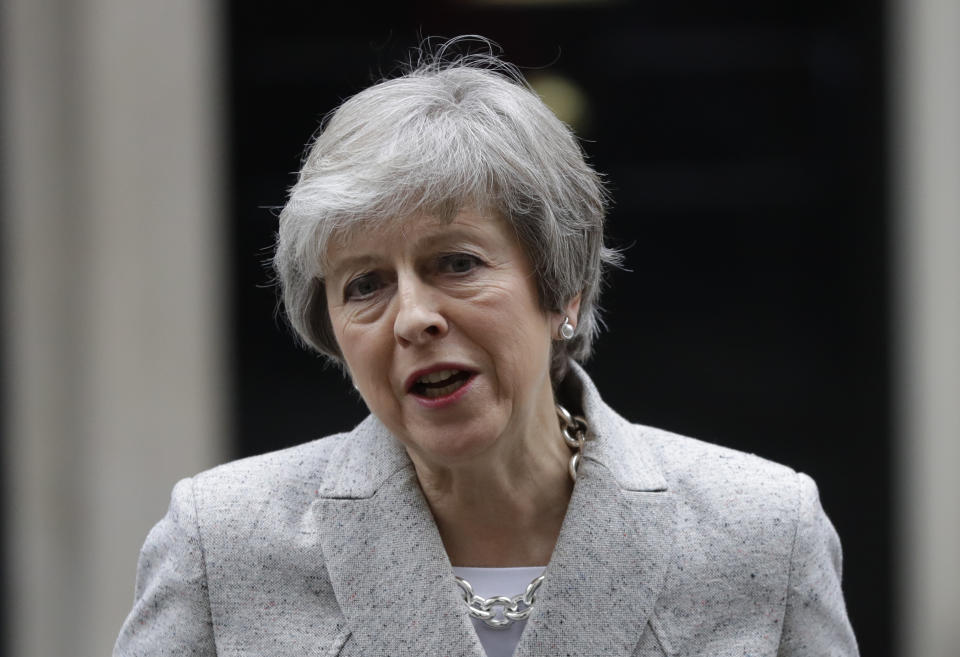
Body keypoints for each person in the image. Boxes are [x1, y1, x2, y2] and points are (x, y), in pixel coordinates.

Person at [115, 39, 859, 657]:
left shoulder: (764, 532)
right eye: (365, 284)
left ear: (562, 288)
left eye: (456, 263)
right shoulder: (221, 541)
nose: (413, 317)